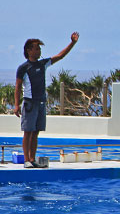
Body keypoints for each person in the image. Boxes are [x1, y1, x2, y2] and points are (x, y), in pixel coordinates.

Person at [13, 32, 79, 168]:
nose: (39, 51)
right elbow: (18, 87)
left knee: (36, 132)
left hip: (41, 102)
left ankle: (32, 158)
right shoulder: (23, 68)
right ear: (28, 50)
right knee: (28, 131)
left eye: (39, 49)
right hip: (29, 102)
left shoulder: (43, 64)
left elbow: (60, 56)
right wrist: (16, 105)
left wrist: (72, 43)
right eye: (36, 48)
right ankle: (26, 160)